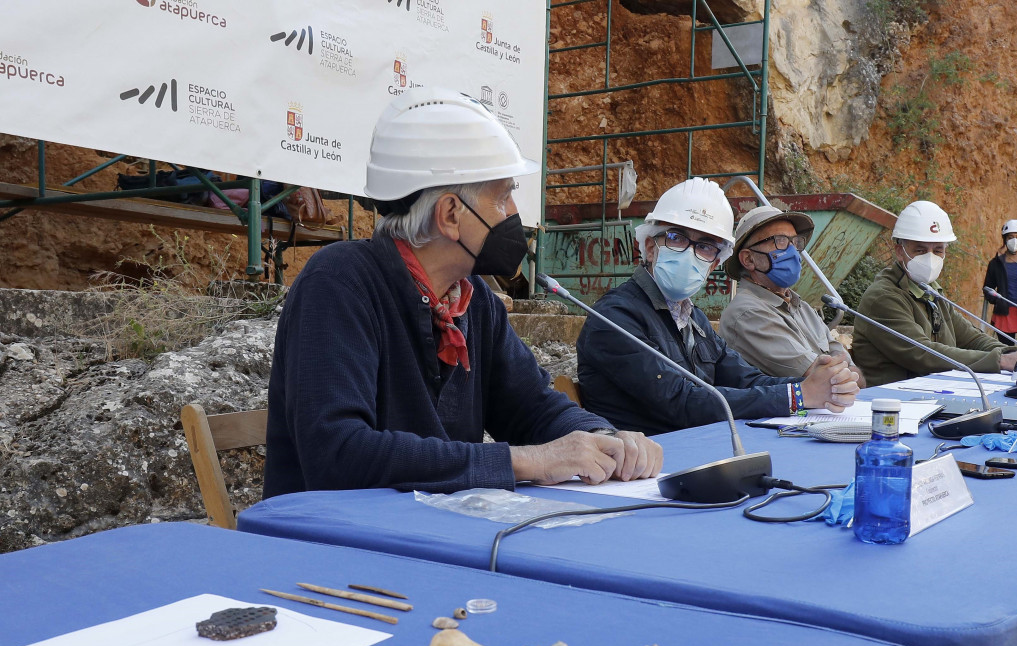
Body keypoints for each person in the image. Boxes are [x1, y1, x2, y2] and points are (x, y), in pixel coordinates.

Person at [264, 88, 662, 498]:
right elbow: (337, 453)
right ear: (451, 214)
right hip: (329, 546)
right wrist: (527, 462)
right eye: (503, 195)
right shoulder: (338, 283)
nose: (513, 214)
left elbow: (531, 406)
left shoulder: (474, 303)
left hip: (430, 535)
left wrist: (602, 438)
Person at [575, 178, 859, 436]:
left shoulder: (692, 318)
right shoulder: (614, 318)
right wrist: (798, 395)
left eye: (706, 246)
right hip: (644, 468)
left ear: (714, 264)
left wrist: (819, 384)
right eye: (677, 238)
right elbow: (680, 401)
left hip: (697, 447)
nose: (691, 253)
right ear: (650, 247)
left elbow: (745, 379)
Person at [852, 200, 1017, 387]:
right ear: (900, 251)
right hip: (889, 404)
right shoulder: (884, 298)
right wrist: (1001, 361)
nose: (930, 258)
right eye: (920, 250)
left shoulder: (931, 291)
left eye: (938, 250)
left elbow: (971, 338)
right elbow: (923, 353)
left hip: (927, 396)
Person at [720, 204, 865, 387]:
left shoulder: (802, 307)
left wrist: (847, 374)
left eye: (795, 242)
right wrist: (845, 374)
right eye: (780, 241)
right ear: (749, 259)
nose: (791, 251)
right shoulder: (747, 313)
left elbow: (856, 377)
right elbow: (824, 380)